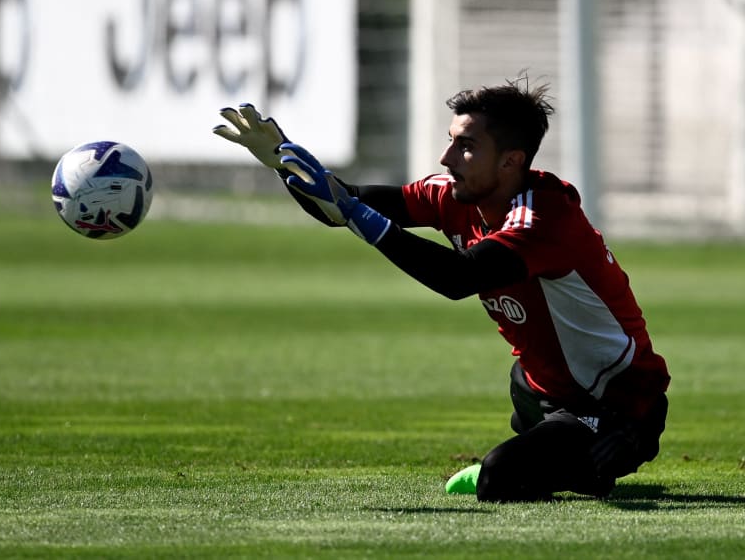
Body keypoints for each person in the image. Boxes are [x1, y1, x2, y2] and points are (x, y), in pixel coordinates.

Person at [213, 79, 670, 502]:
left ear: (510, 161)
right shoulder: (454, 196)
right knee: (535, 433)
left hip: (620, 403)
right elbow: (343, 203)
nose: (446, 158)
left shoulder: (544, 219)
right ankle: (570, 457)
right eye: (451, 141)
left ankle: (592, 452)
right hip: (541, 390)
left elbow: (456, 278)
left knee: (498, 478)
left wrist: (354, 212)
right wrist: (281, 163)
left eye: (465, 146)